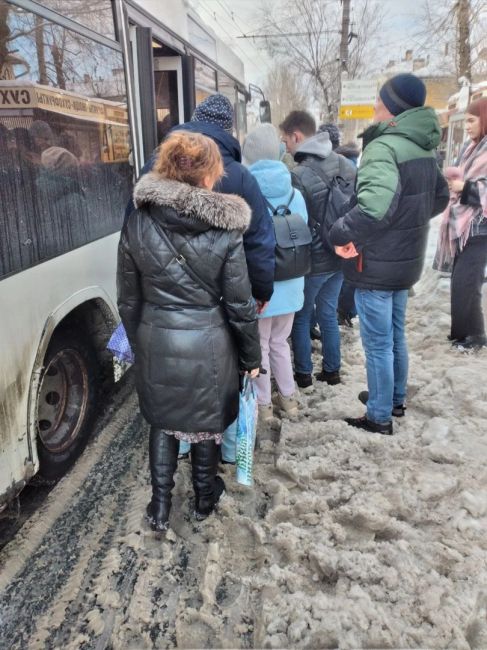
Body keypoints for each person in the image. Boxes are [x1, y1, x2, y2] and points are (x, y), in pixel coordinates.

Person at [118, 131, 261, 531]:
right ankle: (203, 498)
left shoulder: (137, 222)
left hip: (156, 337)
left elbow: (128, 300)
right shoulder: (226, 229)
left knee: (162, 421)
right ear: (209, 174)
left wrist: (140, 342)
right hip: (208, 342)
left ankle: (159, 506)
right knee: (204, 422)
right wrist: (251, 358)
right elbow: (240, 305)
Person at [330, 73, 449, 435]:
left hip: (378, 264)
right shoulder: (422, 146)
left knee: (379, 342)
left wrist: (339, 233)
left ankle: (379, 415)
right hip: (405, 261)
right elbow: (440, 197)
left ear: (393, 108)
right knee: (395, 334)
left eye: (381, 102)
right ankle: (393, 398)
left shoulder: (384, 147)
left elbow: (372, 209)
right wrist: (407, 225)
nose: (376, 108)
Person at [279, 110, 356, 388]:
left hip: (313, 260)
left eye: (286, 140)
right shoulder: (347, 165)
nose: (286, 146)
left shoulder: (297, 175)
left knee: (301, 317)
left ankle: (303, 374)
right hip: (341, 254)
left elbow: (295, 223)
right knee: (328, 312)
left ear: (297, 136)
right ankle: (332, 370)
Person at [242, 123, 308, 422]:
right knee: (281, 343)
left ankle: (264, 405)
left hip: (262, 286)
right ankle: (290, 400)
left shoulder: (247, 194)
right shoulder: (295, 193)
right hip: (292, 282)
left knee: (261, 346)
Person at [436, 98, 487, 350]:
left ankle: (475, 336)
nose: (467, 126)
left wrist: (463, 187)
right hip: (463, 226)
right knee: (460, 281)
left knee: (469, 281)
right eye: (465, 120)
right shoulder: (472, 148)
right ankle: (461, 334)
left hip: (480, 228)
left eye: (471, 120)